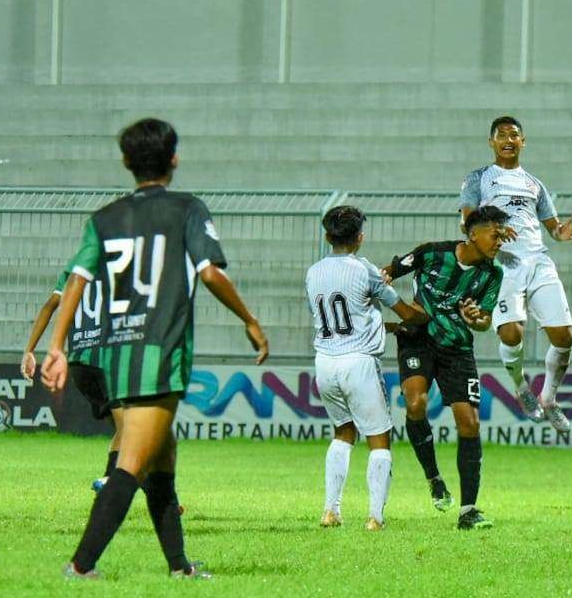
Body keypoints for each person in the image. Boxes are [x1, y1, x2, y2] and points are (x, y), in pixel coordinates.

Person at [41, 118, 269, 580]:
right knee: (132, 464)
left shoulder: (102, 219)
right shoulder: (186, 208)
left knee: (162, 459)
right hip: (158, 353)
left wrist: (56, 345)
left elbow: (75, 285)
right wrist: (249, 319)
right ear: (174, 158)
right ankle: (81, 566)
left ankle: (179, 567)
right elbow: (209, 272)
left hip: (115, 355)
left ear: (127, 162)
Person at [384, 205, 507, 530]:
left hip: (457, 349)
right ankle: (434, 477)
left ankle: (469, 510)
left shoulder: (493, 274)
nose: (499, 241)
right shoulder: (430, 254)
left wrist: (476, 319)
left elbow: (484, 321)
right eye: (495, 235)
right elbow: (387, 273)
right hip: (418, 338)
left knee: (469, 422)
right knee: (416, 403)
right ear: (473, 234)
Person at [459, 116, 572, 432]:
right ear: (492, 142)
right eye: (501, 135)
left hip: (538, 261)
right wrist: (495, 228)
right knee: (511, 333)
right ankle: (520, 386)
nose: (508, 139)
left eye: (514, 135)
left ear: (523, 142)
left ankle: (549, 399)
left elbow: (551, 226)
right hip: (502, 262)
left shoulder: (534, 184)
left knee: (564, 336)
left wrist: (560, 232)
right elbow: (467, 223)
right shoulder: (479, 178)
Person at [307, 205, 423, 531]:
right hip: (359, 362)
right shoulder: (365, 270)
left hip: (325, 362)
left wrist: (387, 328)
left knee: (343, 433)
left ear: (328, 235)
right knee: (379, 441)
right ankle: (375, 517)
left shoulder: (313, 272)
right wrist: (425, 318)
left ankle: (331, 510)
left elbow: (343, 319)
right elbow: (405, 311)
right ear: (360, 237)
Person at [22, 259, 123, 488]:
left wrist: (29, 350)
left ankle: (152, 492)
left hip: (79, 365)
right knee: (134, 428)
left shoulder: (73, 270)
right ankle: (117, 482)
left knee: (124, 431)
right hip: (106, 360)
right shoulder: (118, 263)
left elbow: (49, 306)